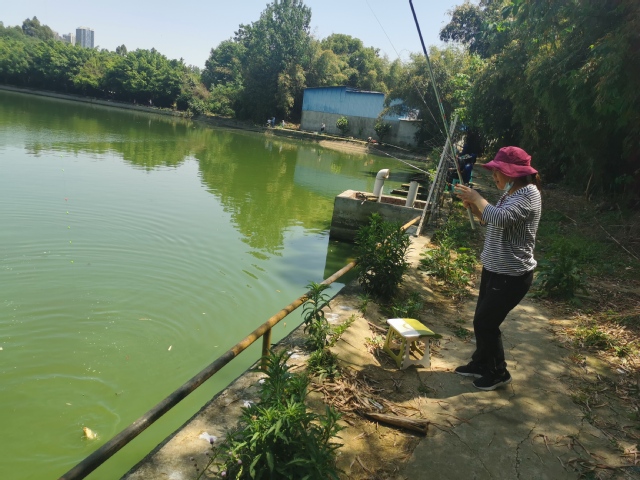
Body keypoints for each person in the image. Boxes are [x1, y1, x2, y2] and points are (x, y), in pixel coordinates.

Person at [453, 146, 542, 391]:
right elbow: (494, 220)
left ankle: (499, 373)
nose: (494, 176)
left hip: (511, 275)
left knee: (486, 323)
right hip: (495, 268)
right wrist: (476, 209)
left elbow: (501, 218)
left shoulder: (528, 195)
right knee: (480, 319)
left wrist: (477, 198)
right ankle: (482, 363)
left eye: (498, 171)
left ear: (513, 172)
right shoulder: (511, 192)